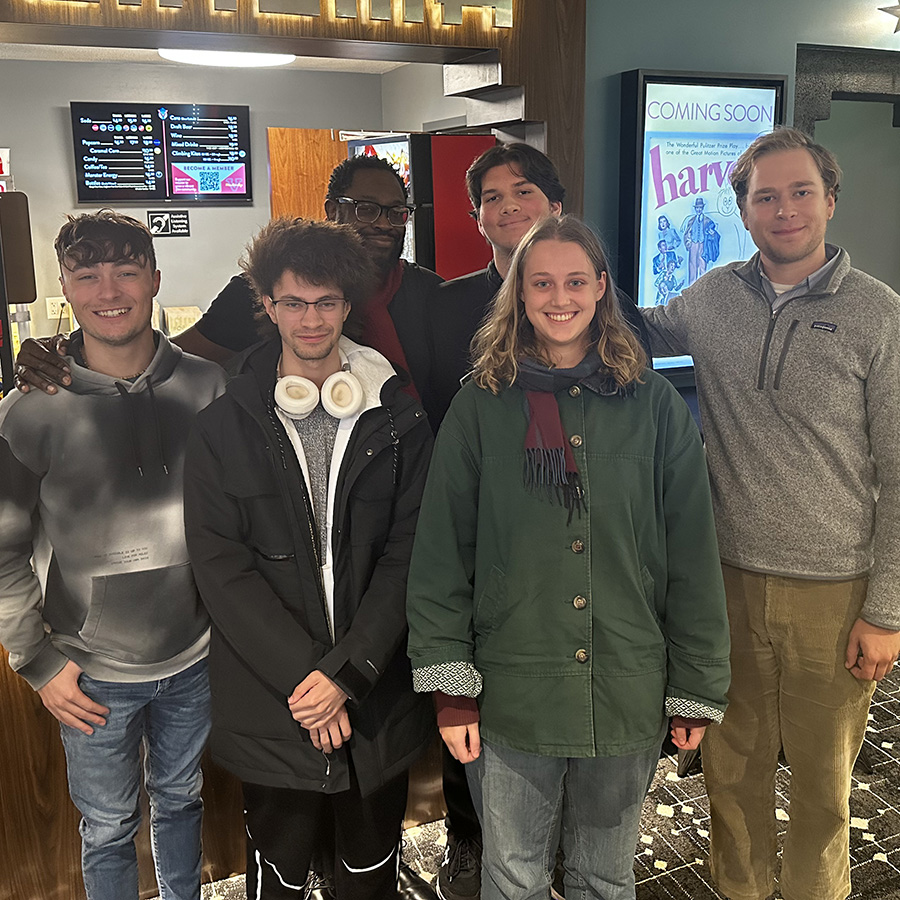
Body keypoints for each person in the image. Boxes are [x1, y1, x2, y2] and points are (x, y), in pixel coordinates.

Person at [407, 215, 731, 900]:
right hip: (511, 691)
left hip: (626, 686)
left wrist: (697, 684)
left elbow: (693, 557)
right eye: (543, 283)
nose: (561, 297)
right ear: (519, 295)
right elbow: (441, 555)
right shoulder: (479, 407)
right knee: (513, 876)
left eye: (576, 281)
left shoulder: (653, 407)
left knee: (605, 877)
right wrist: (451, 691)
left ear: (602, 288)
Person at [642, 126, 900, 900]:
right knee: (730, 773)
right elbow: (627, 325)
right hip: (722, 584)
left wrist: (887, 609)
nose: (783, 209)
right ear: (743, 212)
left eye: (799, 192)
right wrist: (548, 272)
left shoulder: (879, 316)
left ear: (829, 199)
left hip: (836, 592)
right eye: (764, 196)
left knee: (824, 789)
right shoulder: (713, 295)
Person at [183, 218, 434, 900]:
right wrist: (311, 684)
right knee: (280, 877)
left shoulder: (400, 417)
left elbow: (411, 553)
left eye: (326, 302)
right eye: (293, 301)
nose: (311, 318)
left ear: (348, 304)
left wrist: (348, 673)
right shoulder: (220, 426)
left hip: (375, 693)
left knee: (368, 874)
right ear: (266, 303)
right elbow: (221, 567)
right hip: (276, 701)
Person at [0, 210, 226, 900]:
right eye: (87, 272)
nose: (109, 288)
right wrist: (38, 662)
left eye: (127, 268)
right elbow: (4, 550)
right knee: (105, 826)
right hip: (90, 673)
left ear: (155, 278)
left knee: (182, 803)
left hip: (195, 658)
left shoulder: (209, 387)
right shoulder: (29, 409)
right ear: (64, 287)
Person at [13, 154, 443, 412]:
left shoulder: (429, 295)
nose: (384, 224)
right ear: (333, 209)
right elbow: (161, 362)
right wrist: (69, 352)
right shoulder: (257, 293)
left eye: (396, 211)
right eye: (366, 208)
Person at [681, 196, 714, 285]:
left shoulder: (707, 220)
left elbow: (713, 232)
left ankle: (703, 286)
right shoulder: (691, 220)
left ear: (702, 208)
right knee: (692, 265)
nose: (699, 210)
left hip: (703, 244)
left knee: (702, 264)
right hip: (694, 244)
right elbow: (687, 232)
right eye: (697, 208)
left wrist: (711, 234)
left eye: (700, 208)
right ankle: (692, 286)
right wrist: (689, 243)